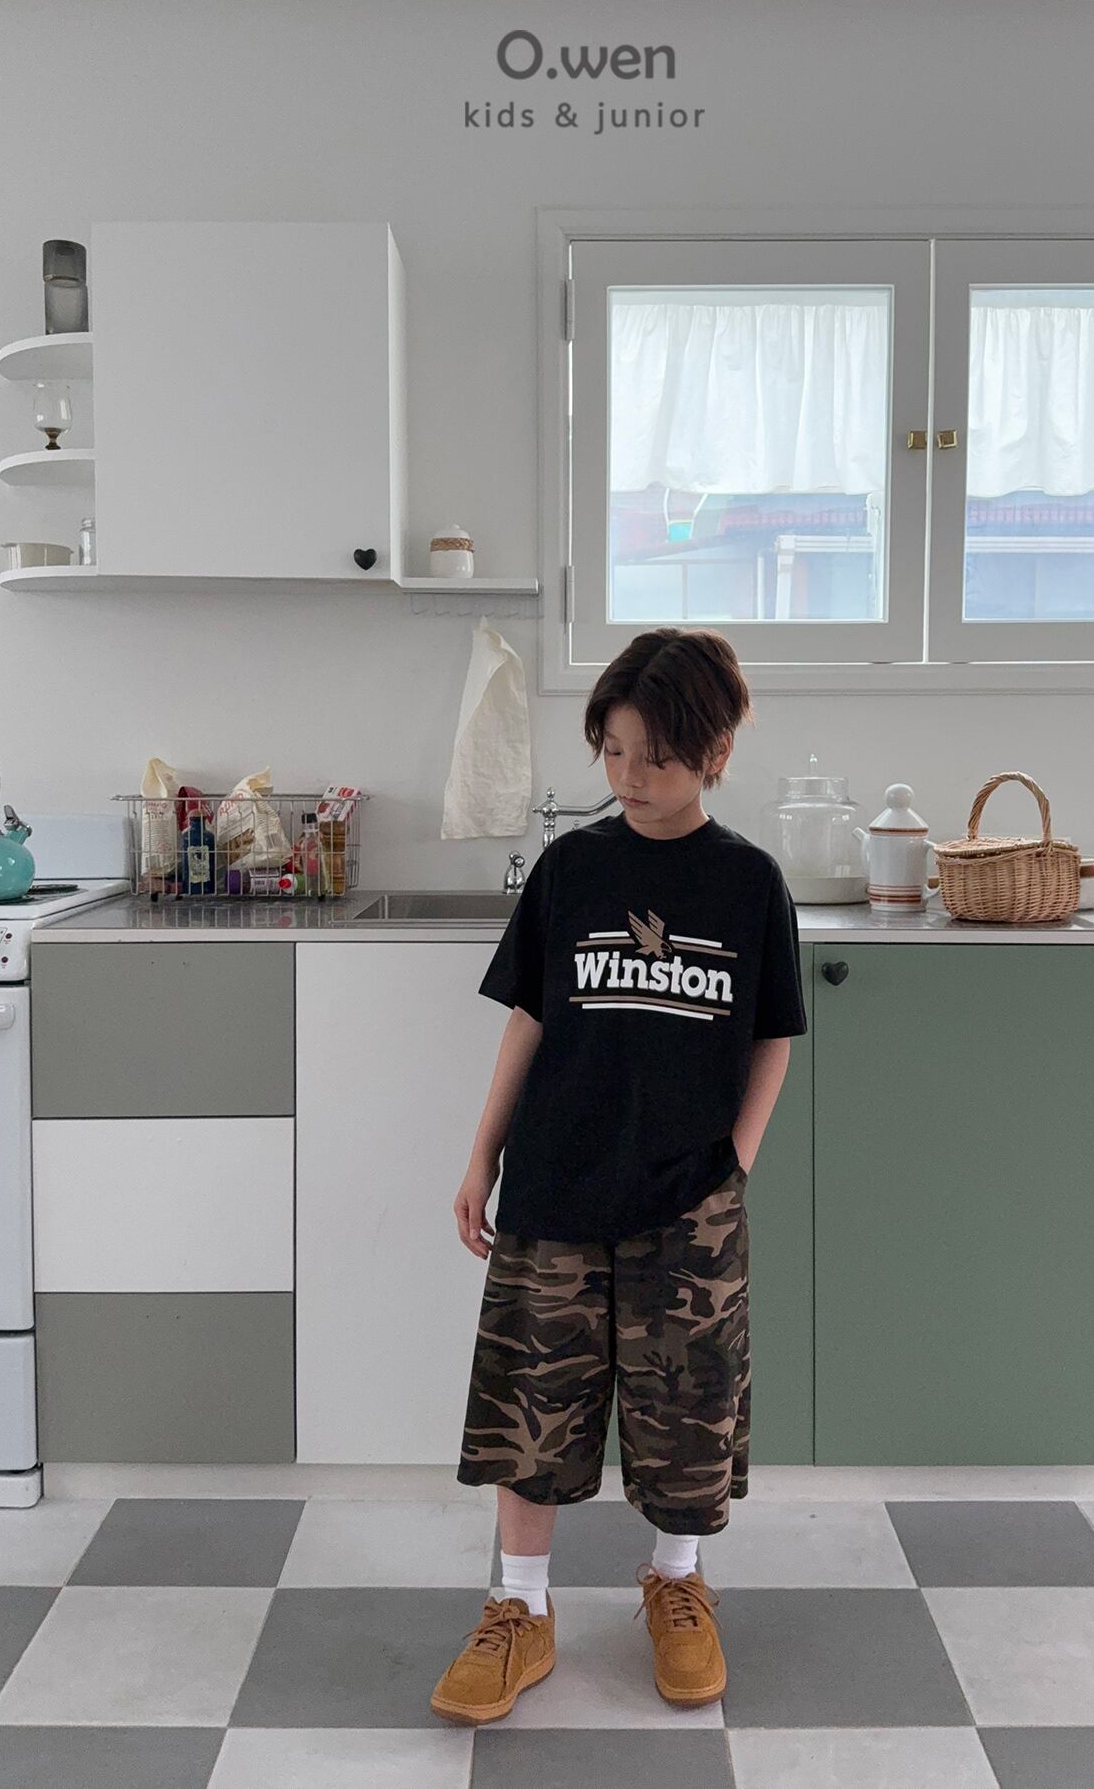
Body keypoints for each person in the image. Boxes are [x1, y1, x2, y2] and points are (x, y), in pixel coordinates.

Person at [429, 627, 808, 1727]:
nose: (630, 776)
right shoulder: (573, 868)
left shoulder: (748, 882)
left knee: (687, 1407)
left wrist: (734, 1164)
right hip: (557, 1183)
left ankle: (677, 1584)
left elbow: (775, 1035)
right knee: (531, 1403)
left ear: (716, 753)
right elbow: (530, 1018)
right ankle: (521, 1606)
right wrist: (483, 1152)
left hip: (690, 1199)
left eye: (657, 756)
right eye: (614, 751)